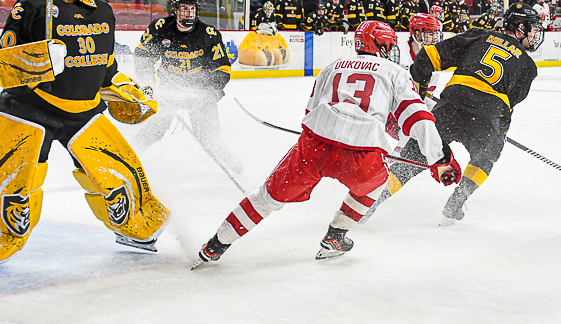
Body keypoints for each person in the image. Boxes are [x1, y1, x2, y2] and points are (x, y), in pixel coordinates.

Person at [0, 0, 170, 269]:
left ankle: (133, 229)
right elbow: (4, 61)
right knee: (13, 181)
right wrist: (38, 58)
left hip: (84, 110)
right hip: (30, 107)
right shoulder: (32, 6)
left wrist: (123, 89)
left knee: (119, 175)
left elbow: (105, 65)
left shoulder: (102, 10)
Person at [192, 20, 461, 268]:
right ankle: (335, 236)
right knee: (375, 184)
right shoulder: (395, 72)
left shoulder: (332, 66)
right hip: (362, 154)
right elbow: (419, 119)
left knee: (267, 197)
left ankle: (216, 244)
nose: (391, 51)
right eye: (389, 45)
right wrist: (440, 160)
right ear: (379, 45)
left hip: (314, 146)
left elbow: (309, 112)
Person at [376, 3, 542, 226]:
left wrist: (419, 92)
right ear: (520, 28)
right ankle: (457, 201)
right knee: (485, 159)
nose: (535, 34)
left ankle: (374, 199)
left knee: (416, 153)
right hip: (489, 115)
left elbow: (427, 57)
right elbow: (510, 104)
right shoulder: (528, 66)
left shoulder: (479, 35)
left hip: (452, 105)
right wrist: (497, 133)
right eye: (533, 28)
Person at [132, 0, 242, 174]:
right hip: (168, 91)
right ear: (175, 10)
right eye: (184, 8)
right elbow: (143, 55)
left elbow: (222, 67)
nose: (189, 13)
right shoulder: (160, 28)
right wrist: (148, 84)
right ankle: (129, 156)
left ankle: (229, 159)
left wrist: (214, 90)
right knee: (153, 129)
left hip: (200, 93)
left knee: (210, 137)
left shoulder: (208, 33)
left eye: (192, 9)